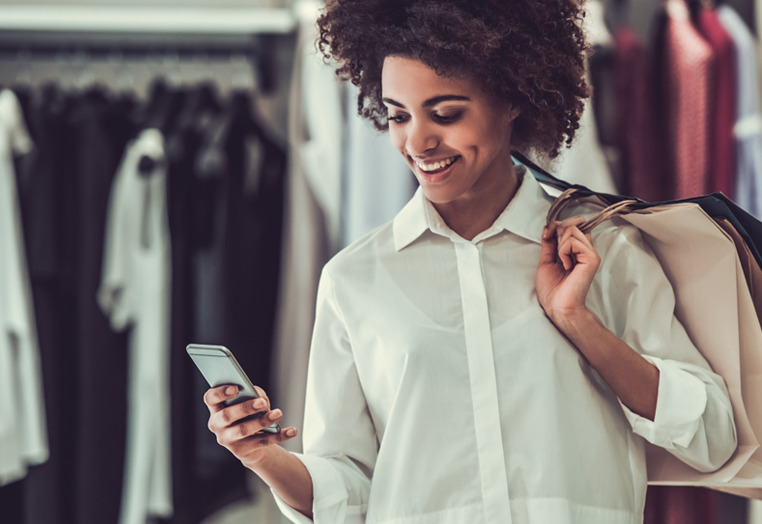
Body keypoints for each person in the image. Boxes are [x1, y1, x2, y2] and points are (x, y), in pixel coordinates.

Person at [202, 1, 738, 523]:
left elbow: (713, 439)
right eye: (397, 116)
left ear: (513, 99)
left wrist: (579, 322)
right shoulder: (353, 279)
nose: (417, 141)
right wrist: (263, 458)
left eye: (446, 113)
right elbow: (350, 493)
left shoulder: (607, 249)